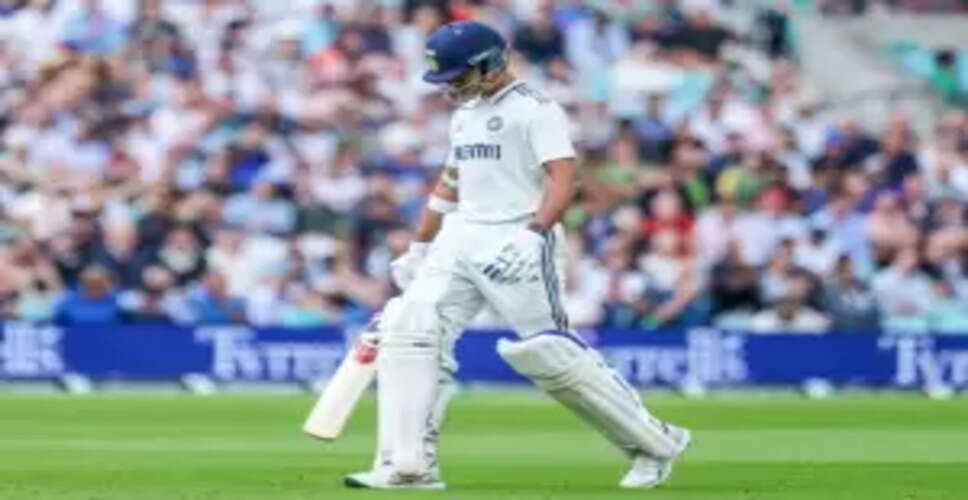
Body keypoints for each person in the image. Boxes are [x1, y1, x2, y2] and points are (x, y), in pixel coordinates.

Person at [344, 21, 689, 491]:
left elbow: (565, 180)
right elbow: (450, 184)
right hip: (461, 236)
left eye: (459, 76)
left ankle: (656, 443)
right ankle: (408, 465)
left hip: (517, 235)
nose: (451, 88)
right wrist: (420, 245)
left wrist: (533, 234)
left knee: (549, 353)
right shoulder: (465, 115)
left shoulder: (535, 110)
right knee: (411, 327)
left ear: (491, 64)